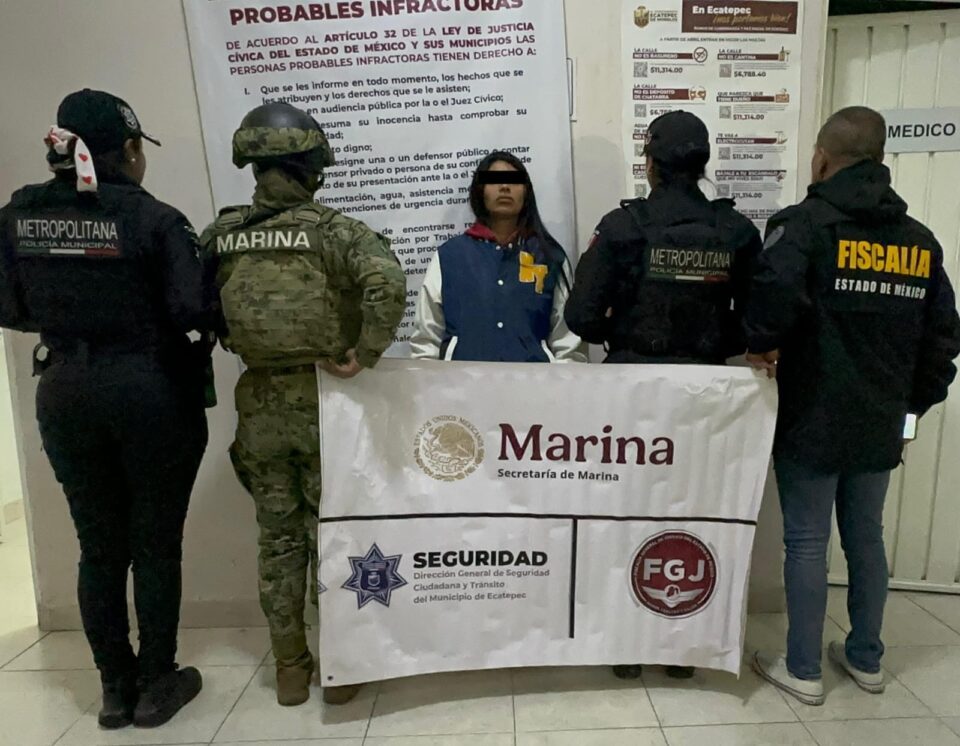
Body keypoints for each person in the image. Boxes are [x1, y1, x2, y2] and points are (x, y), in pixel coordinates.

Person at [0, 89, 211, 729]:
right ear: (129, 149)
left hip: (65, 387)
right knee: (155, 543)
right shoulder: (155, 220)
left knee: (98, 546)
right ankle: (156, 682)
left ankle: (114, 689)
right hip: (149, 388)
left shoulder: (18, 214)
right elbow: (191, 308)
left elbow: (8, 308)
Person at [746, 106, 960, 706]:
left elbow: (769, 305)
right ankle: (866, 659)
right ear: (880, 160)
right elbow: (944, 340)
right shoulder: (919, 242)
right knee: (867, 538)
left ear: (821, 159)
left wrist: (761, 344)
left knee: (807, 541)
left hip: (811, 414)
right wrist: (910, 412)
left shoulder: (803, 226)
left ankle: (804, 669)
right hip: (881, 420)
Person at [201, 102, 406, 707]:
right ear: (314, 165)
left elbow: (195, 304)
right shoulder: (336, 231)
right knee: (331, 535)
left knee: (278, 539)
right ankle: (340, 668)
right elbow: (388, 284)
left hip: (259, 403)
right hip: (325, 403)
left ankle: (291, 668)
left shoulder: (222, 235)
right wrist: (363, 353)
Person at [563, 110, 762, 680]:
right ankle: (683, 647)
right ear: (703, 164)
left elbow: (580, 316)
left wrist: (621, 331)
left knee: (627, 514)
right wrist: (714, 341)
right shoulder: (735, 231)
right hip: (708, 394)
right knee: (698, 515)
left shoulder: (623, 227)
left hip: (633, 390)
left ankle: (627, 644)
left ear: (650, 163)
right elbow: (758, 322)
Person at [410, 151, 586, 362]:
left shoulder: (549, 257)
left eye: (513, 181)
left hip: (532, 380)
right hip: (462, 381)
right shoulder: (450, 257)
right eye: (494, 181)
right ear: (480, 191)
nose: (504, 187)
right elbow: (426, 340)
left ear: (526, 192)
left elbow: (568, 343)